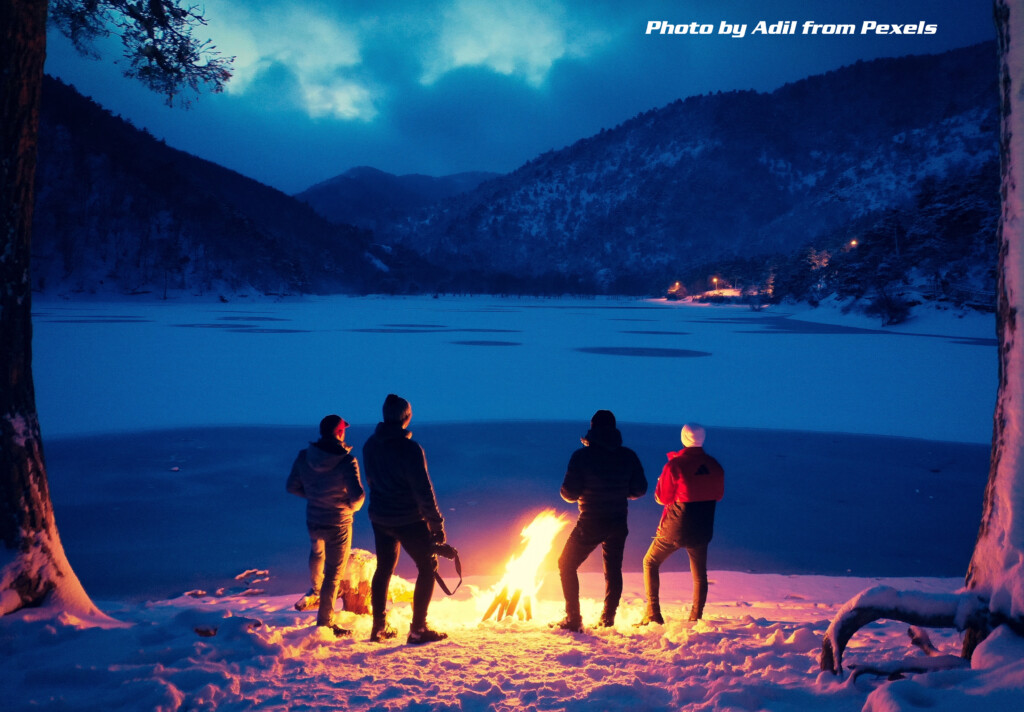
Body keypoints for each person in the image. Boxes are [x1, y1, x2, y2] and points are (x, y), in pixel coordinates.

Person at [362, 394, 448, 644]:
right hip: (409, 520)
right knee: (427, 567)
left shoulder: (370, 445)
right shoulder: (410, 449)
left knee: (383, 569)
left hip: (380, 519)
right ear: (406, 417)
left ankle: (379, 626)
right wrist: (436, 524)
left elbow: (372, 481)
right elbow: (423, 490)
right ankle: (418, 629)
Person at [555, 410, 647, 632]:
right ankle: (607, 619)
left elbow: (569, 493)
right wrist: (620, 491)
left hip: (591, 521)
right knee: (613, 570)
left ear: (592, 427)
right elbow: (640, 489)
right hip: (618, 521)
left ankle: (573, 619)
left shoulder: (581, 457)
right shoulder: (628, 456)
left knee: (566, 564)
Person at [286, 414, 365, 637]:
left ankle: (315, 587)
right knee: (333, 574)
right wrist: (349, 507)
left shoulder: (304, 456)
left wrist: (314, 496)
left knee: (317, 553)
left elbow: (291, 486)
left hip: (314, 519)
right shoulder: (346, 461)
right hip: (338, 522)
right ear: (340, 433)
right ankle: (325, 622)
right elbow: (358, 497)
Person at [640, 423, 724, 625]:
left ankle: (654, 613)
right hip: (702, 527)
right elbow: (718, 495)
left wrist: (661, 482)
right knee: (699, 575)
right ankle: (696, 618)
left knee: (650, 562)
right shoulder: (715, 465)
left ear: (684, 438)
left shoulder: (675, 466)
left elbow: (662, 498)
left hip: (676, 527)